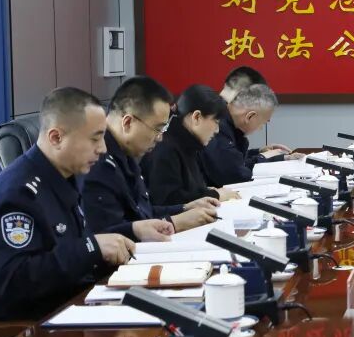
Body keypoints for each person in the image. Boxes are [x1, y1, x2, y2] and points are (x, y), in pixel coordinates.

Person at [0, 88, 139, 324]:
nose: (103, 148)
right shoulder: (17, 194)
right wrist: (91, 249)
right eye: (95, 138)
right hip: (18, 331)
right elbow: (12, 282)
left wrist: (129, 232)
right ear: (56, 138)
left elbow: (75, 247)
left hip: (67, 308)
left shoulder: (67, 176)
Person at [84, 76, 220, 240]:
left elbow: (143, 213)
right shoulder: (97, 162)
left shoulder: (126, 154)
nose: (160, 138)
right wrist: (174, 223)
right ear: (127, 123)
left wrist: (185, 208)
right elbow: (107, 237)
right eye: (157, 129)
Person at [142, 84, 239, 206]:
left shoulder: (187, 143)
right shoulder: (166, 147)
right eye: (216, 121)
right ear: (196, 117)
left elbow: (187, 189)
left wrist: (205, 190)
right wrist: (214, 195)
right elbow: (167, 201)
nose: (217, 130)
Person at [201, 83, 302, 187]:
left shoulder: (228, 122)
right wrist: (263, 157)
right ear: (250, 116)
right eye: (263, 122)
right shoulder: (217, 127)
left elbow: (235, 159)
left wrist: (262, 152)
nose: (261, 128)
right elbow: (237, 175)